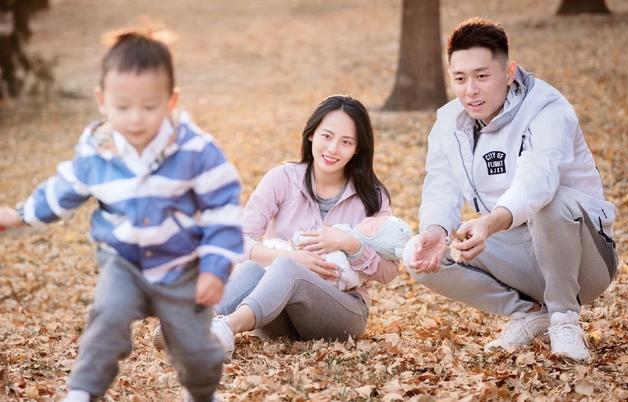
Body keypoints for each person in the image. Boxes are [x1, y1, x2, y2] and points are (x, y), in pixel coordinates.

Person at [0, 31, 242, 402]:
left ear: (171, 101)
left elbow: (223, 210)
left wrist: (214, 267)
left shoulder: (195, 150)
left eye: (149, 107)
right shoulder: (99, 152)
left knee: (195, 350)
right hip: (124, 263)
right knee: (107, 318)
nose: (135, 119)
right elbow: (63, 190)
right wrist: (18, 216)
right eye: (123, 107)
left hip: (182, 267)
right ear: (102, 102)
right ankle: (82, 391)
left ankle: (204, 393)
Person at [403, 17, 617, 362]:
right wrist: (436, 229)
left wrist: (488, 223)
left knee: (551, 200)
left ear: (509, 72)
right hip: (520, 253)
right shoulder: (448, 123)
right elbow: (440, 185)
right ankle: (531, 313)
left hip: (585, 261)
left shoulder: (547, 109)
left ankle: (564, 317)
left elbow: (538, 179)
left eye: (482, 76)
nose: (470, 90)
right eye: (460, 78)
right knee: (417, 253)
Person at [205, 95, 398, 359]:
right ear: (311, 135)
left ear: (357, 149)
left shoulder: (372, 196)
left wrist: (350, 245)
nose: (333, 148)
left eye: (346, 142)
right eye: (327, 136)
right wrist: (291, 257)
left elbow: (389, 272)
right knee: (255, 268)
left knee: (288, 269)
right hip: (275, 312)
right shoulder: (281, 179)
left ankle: (227, 326)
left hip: (342, 314)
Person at [263, 214, 413, 291]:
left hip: (334, 298)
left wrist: (354, 246)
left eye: (373, 226)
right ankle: (238, 322)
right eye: (373, 219)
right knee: (252, 270)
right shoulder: (285, 177)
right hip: (287, 256)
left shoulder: (372, 194)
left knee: (276, 272)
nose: (368, 219)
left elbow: (389, 272)